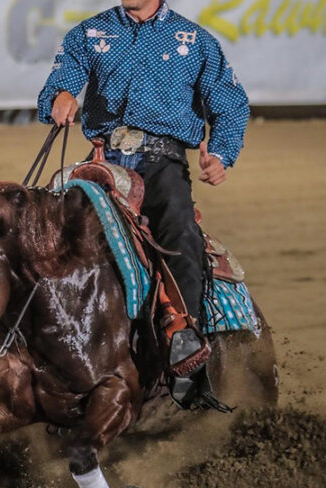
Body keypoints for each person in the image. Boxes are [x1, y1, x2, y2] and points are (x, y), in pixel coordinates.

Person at [37, 0, 249, 409]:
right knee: (45, 227)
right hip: (102, 159)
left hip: (162, 162)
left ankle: (185, 348)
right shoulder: (90, 33)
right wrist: (60, 96)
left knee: (180, 235)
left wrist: (220, 154)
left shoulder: (196, 41)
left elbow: (231, 103)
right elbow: (59, 82)